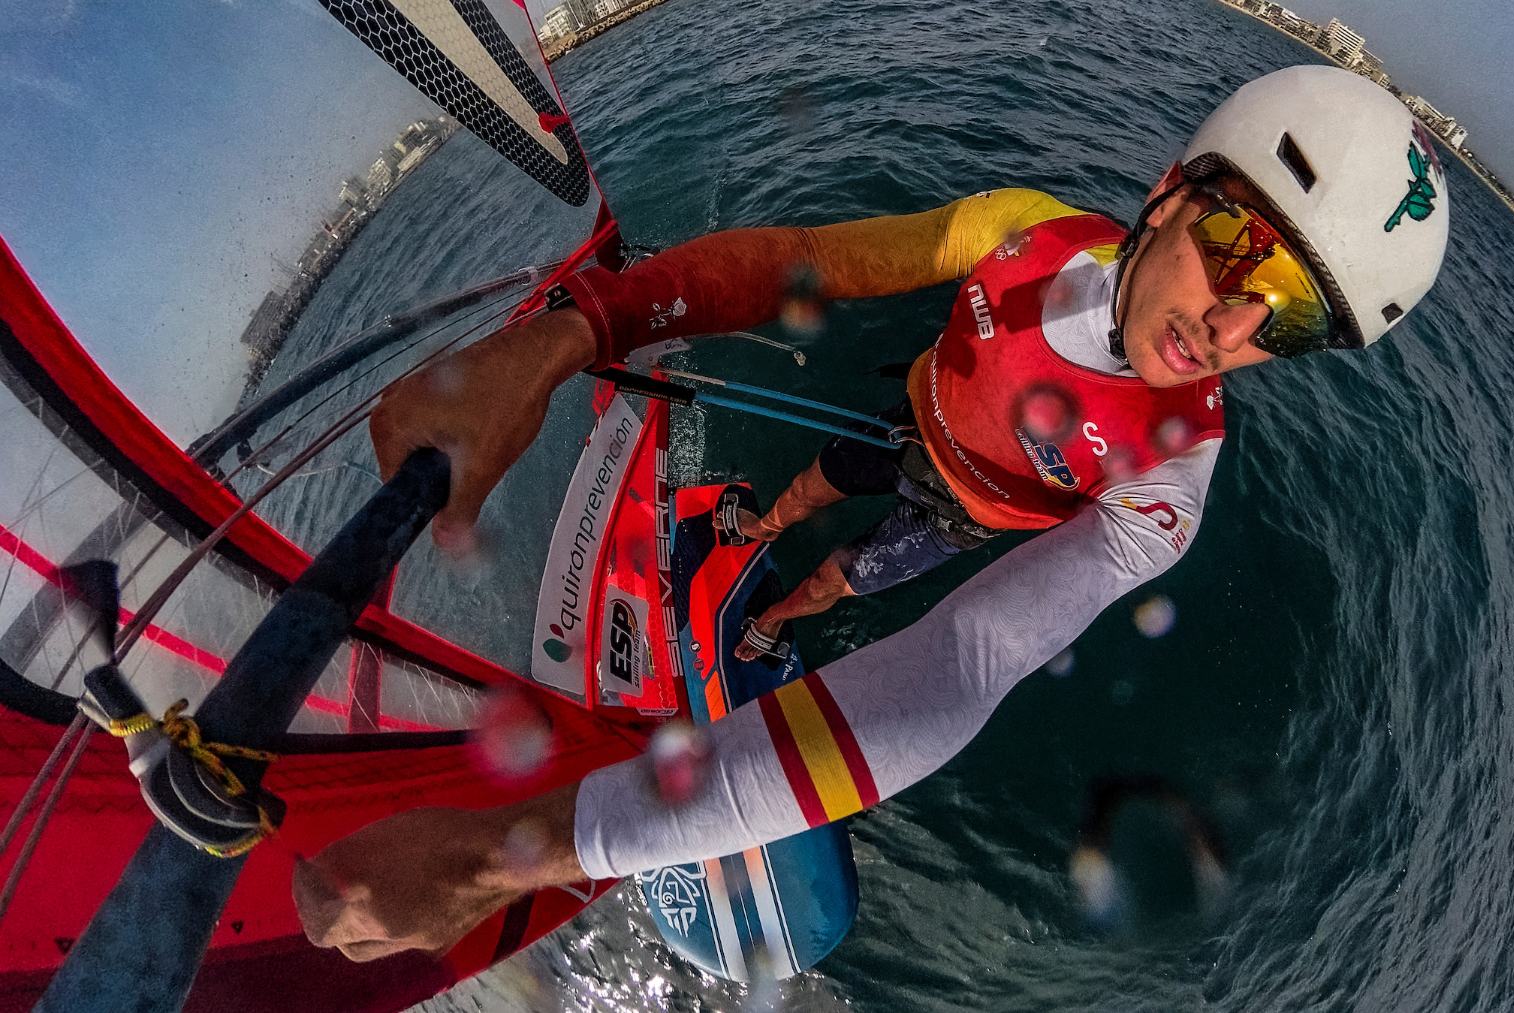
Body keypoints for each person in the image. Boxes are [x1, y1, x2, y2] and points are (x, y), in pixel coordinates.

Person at [296, 65, 1449, 959]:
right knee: (805, 494)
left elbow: (966, 657)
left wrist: (512, 856)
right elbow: (805, 257)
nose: (1235, 324)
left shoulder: (1171, 482)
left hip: (957, 516)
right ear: (1172, 191)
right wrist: (564, 337)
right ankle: (753, 546)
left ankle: (764, 627)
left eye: (1289, 320)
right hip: (903, 427)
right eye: (1241, 247)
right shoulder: (1016, 233)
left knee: (845, 578)